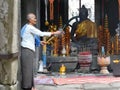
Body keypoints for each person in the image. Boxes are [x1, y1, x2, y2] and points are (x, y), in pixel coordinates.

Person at [20, 13, 61, 90]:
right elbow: (41, 33)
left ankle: (30, 86)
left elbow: (29, 38)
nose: (35, 20)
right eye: (34, 18)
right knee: (27, 69)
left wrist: (40, 42)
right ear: (29, 19)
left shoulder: (27, 27)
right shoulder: (29, 27)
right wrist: (54, 33)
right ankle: (27, 87)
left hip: (28, 50)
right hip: (27, 50)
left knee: (29, 69)